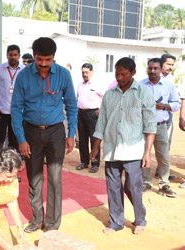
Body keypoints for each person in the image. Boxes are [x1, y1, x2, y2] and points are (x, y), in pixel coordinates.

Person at [11, 37, 77, 233]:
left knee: (55, 178)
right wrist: (21, 139)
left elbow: (72, 106)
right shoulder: (23, 76)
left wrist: (71, 134)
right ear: (34, 56)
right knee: (34, 177)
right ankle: (36, 218)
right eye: (40, 59)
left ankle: (52, 224)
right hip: (31, 132)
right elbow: (16, 109)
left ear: (54, 57)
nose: (44, 64)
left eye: (48, 60)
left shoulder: (64, 75)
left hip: (56, 132)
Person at [91, 57, 156, 234]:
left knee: (133, 187)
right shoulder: (109, 94)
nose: (119, 77)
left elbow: (150, 125)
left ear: (133, 73)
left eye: (124, 74)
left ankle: (140, 219)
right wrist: (95, 147)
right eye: (117, 73)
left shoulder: (143, 93)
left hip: (134, 150)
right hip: (112, 149)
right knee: (113, 187)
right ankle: (116, 222)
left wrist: (147, 153)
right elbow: (101, 122)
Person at [140, 58, 180, 198]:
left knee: (163, 156)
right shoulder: (140, 85)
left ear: (160, 69)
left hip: (161, 126)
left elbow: (177, 103)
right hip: (143, 127)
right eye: (150, 68)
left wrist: (164, 106)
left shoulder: (168, 85)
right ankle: (146, 182)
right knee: (144, 154)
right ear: (147, 69)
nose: (152, 71)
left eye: (155, 68)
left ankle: (164, 184)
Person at [0, 44, 23, 150]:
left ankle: (13, 163)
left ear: (19, 56)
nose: (13, 57)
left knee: (14, 140)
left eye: (15, 55)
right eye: (10, 55)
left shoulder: (25, 70)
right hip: (0, 111)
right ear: (7, 55)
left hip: (17, 112)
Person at [76, 63, 104, 173]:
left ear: (92, 72)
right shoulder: (79, 85)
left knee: (94, 140)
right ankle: (84, 161)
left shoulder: (97, 84)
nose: (84, 74)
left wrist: (101, 109)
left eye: (86, 72)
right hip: (81, 114)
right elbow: (77, 98)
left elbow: (105, 97)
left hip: (93, 115)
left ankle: (95, 163)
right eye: (83, 72)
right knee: (82, 139)